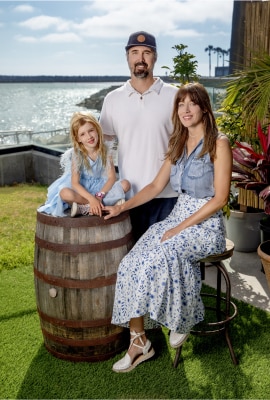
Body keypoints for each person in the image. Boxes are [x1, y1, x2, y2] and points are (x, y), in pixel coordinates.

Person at [103, 82, 232, 372]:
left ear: (204, 107)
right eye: (180, 104)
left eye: (192, 103)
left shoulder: (218, 143)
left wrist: (179, 227)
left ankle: (182, 318)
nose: (185, 109)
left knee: (167, 250)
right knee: (131, 263)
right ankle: (139, 342)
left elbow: (221, 198)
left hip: (206, 224)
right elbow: (154, 186)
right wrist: (122, 206)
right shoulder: (176, 144)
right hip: (178, 217)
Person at [99, 31, 178, 241]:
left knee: (166, 264)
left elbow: (187, 142)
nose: (140, 58)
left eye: (146, 52)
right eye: (134, 52)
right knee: (132, 259)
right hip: (129, 197)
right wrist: (107, 185)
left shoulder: (174, 95)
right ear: (127, 57)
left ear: (155, 57)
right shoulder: (112, 99)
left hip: (168, 196)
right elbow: (103, 146)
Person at [38, 112, 130, 217]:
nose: (89, 136)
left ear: (97, 129)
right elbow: (75, 183)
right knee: (65, 193)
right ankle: (101, 205)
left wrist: (99, 196)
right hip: (82, 189)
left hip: (99, 188)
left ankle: (86, 207)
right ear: (78, 139)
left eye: (91, 130)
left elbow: (111, 178)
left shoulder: (105, 150)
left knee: (125, 184)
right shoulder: (77, 154)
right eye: (83, 134)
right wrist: (91, 199)